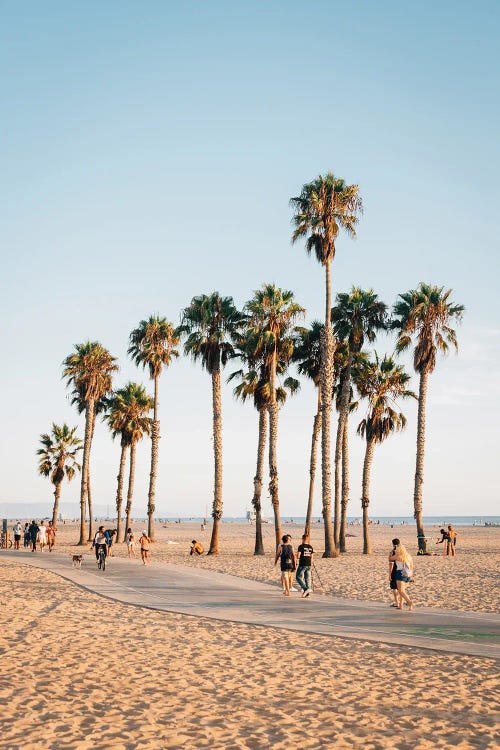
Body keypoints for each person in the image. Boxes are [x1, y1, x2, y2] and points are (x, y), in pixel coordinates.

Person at [389, 542, 414, 610]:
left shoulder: (398, 556)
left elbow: (390, 559)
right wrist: (410, 574)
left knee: (401, 591)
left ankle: (409, 602)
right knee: (403, 591)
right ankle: (402, 606)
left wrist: (390, 554)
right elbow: (411, 566)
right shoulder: (409, 556)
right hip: (408, 574)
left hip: (400, 574)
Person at [296, 533, 314, 598]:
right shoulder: (311, 547)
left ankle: (305, 589)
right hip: (309, 564)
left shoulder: (301, 546)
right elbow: (312, 557)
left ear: (303, 539)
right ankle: (307, 594)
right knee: (307, 578)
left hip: (302, 564)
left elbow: (298, 556)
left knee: (298, 577)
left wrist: (296, 557)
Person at [388, 538, 400, 607]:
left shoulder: (392, 552)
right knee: (401, 588)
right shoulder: (402, 551)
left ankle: (397, 603)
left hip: (395, 571)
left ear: (392, 544)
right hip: (401, 571)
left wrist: (389, 574)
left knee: (394, 588)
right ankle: (401, 602)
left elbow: (391, 564)